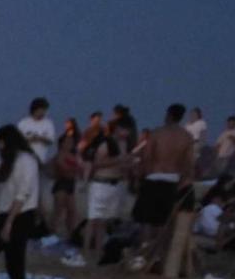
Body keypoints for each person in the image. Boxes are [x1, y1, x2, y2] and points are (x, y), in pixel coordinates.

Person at [132, 104, 197, 270]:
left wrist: (140, 178)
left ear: (168, 114)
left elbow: (146, 158)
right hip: (172, 180)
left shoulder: (157, 133)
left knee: (146, 220)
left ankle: (143, 255)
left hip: (154, 177)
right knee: (162, 221)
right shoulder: (186, 137)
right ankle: (158, 255)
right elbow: (188, 164)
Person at [0, 125, 41, 279]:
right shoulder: (10, 161)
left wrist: (9, 222)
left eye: (0, 144)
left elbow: (23, 194)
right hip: (7, 213)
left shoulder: (26, 160)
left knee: (15, 262)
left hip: (20, 215)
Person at [82, 120, 134, 257]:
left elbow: (122, 166)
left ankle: (99, 248)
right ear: (117, 129)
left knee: (104, 220)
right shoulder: (107, 143)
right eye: (124, 129)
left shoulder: (124, 145)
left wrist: (129, 164)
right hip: (101, 183)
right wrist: (119, 160)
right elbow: (97, 163)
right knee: (93, 218)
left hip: (115, 183)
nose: (127, 133)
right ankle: (86, 248)